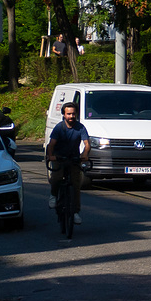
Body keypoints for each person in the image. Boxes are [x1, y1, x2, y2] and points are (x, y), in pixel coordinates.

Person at [46, 101, 90, 239]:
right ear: (64, 115)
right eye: (68, 114)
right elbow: (51, 144)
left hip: (74, 158)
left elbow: (87, 144)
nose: (71, 116)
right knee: (57, 177)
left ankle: (75, 212)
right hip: (59, 158)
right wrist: (51, 156)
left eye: (73, 113)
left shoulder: (80, 127)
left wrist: (84, 154)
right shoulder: (59, 128)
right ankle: (53, 195)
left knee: (76, 184)